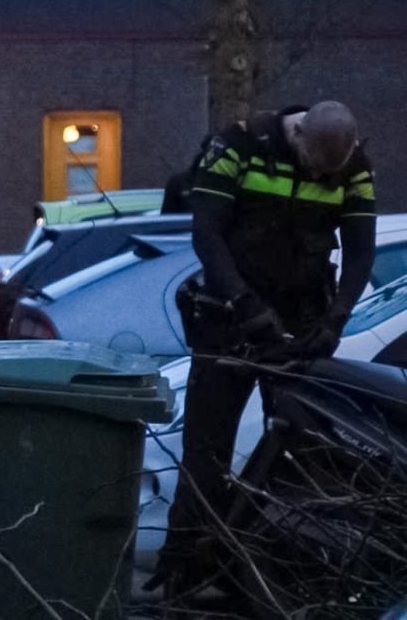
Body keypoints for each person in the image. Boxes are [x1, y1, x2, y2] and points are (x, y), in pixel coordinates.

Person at [155, 101, 376, 598]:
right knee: (206, 456)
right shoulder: (238, 146)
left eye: (328, 174)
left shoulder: (355, 163)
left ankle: (282, 575)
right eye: (313, 167)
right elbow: (206, 234)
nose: (319, 177)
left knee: (303, 458)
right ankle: (185, 574)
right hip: (227, 324)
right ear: (298, 138)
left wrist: (336, 320)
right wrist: (245, 305)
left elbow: (362, 250)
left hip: (301, 326)